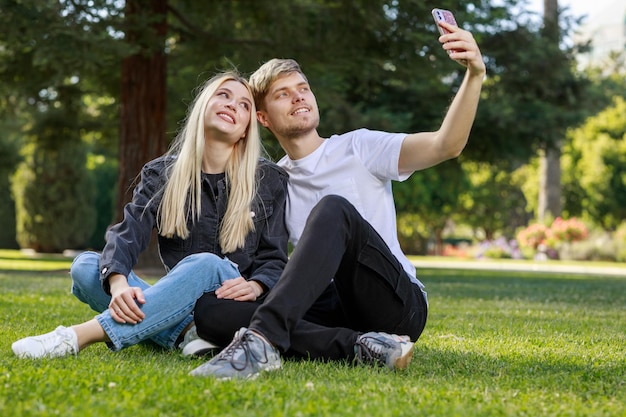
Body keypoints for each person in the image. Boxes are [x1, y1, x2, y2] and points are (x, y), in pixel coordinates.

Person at [190, 19, 486, 379]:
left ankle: (261, 341)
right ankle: (361, 347)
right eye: (283, 93)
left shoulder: (358, 146)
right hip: (332, 305)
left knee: (333, 209)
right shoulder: (270, 182)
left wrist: (474, 74)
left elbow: (446, 145)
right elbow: (270, 262)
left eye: (303, 88)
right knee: (210, 311)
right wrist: (253, 285)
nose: (299, 96)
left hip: (395, 304)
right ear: (263, 118)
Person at [12, 72, 289, 359]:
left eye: (244, 105)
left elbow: (275, 258)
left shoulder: (268, 179)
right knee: (86, 267)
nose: (232, 105)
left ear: (246, 129)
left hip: (231, 300)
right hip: (182, 298)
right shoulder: (161, 174)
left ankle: (75, 337)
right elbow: (128, 233)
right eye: (223, 95)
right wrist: (118, 283)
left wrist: (256, 285)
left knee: (207, 264)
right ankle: (188, 333)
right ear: (202, 107)